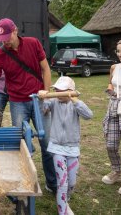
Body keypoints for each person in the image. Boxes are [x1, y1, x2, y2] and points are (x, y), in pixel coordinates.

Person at [0, 18, 57, 192]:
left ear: (15, 30)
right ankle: (23, 183)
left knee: (46, 141)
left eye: (8, 36)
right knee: (22, 144)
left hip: (38, 99)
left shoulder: (33, 43)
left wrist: (46, 93)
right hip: (18, 103)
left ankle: (52, 183)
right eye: (2, 39)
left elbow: (46, 69)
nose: (5, 41)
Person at [39, 76, 93, 215]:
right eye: (56, 89)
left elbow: (89, 115)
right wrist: (43, 98)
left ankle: (65, 199)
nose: (58, 92)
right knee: (62, 182)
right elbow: (43, 111)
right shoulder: (53, 101)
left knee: (72, 182)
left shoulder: (76, 104)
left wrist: (76, 101)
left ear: (70, 91)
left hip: (72, 147)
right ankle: (62, 210)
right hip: (56, 147)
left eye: (61, 90)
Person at [102, 38, 121, 196]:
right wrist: (110, 89)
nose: (120, 54)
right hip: (114, 108)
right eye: (118, 51)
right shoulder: (114, 67)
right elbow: (111, 83)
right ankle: (116, 172)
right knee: (111, 144)